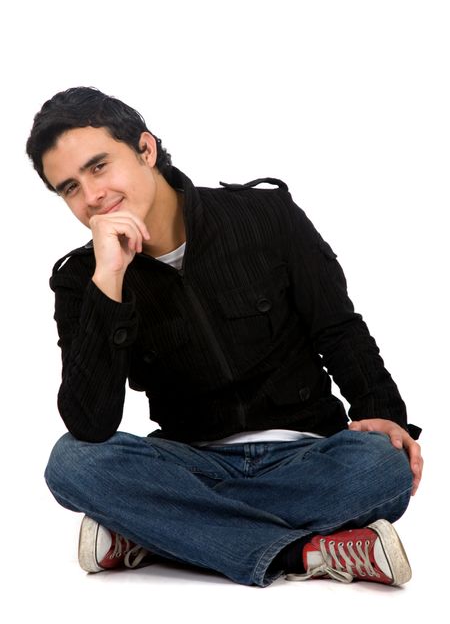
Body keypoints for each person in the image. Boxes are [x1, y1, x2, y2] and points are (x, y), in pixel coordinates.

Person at [26, 87, 423, 588]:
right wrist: (109, 280)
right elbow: (90, 424)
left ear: (145, 150)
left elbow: (338, 326)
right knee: (71, 462)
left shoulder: (265, 216)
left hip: (307, 453)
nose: (91, 196)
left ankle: (156, 531)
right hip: (190, 463)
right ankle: (304, 553)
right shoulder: (81, 278)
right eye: (69, 188)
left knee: (381, 469)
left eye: (99, 167)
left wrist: (386, 414)